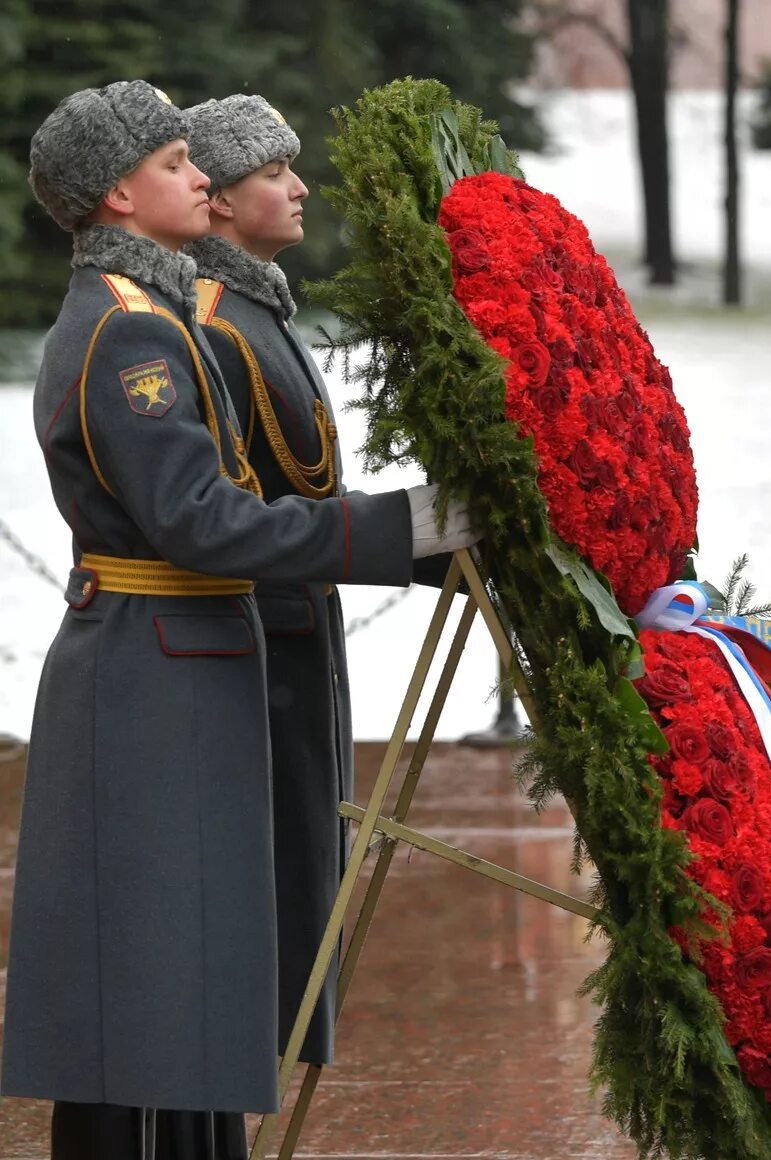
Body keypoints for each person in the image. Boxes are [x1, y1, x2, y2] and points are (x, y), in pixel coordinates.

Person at [4, 81, 477, 1160]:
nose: (202, 179)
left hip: (182, 664)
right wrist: (397, 533)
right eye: (177, 164)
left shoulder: (157, 312)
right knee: (143, 994)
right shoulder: (131, 335)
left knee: (188, 985)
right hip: (154, 670)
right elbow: (204, 524)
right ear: (119, 194)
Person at [182, 93, 365, 1084]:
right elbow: (234, 508)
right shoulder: (215, 322)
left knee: (310, 879)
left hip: (305, 624)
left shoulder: (256, 307)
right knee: (277, 896)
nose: (298, 187)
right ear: (217, 202)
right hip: (267, 637)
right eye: (271, 174)